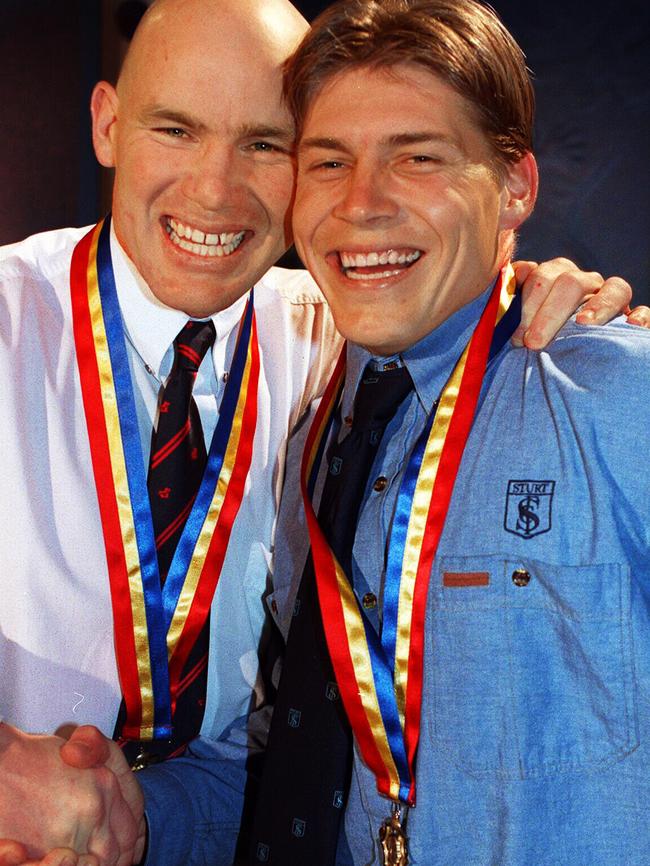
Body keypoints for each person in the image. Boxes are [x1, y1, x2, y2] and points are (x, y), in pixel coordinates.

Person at [0, 0, 644, 862]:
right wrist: (118, 815)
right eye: (177, 128)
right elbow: (299, 747)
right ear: (108, 124)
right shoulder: (333, 407)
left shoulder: (578, 383)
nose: (215, 189)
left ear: (517, 186)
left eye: (267, 144)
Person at [244, 1, 650, 864]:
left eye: (418, 157)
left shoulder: (618, 397)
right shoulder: (310, 444)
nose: (361, 203)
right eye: (328, 162)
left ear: (516, 187)